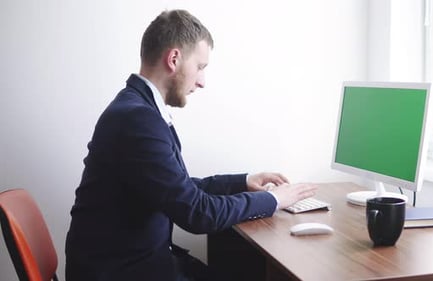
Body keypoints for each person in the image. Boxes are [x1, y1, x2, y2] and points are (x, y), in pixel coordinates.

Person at [65, 9, 317, 281]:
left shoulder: (138, 109)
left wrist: (244, 181)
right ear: (174, 59)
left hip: (137, 264)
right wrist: (274, 200)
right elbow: (196, 213)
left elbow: (179, 190)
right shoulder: (137, 119)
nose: (202, 81)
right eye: (200, 67)